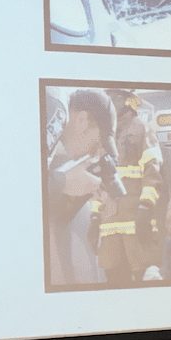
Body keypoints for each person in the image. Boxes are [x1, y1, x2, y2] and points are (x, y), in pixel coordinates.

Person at [88, 90, 163, 285]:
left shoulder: (142, 129)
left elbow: (152, 170)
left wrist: (145, 207)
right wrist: (94, 216)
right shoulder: (103, 136)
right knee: (114, 281)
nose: (109, 104)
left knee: (143, 278)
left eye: (113, 98)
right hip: (109, 225)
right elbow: (97, 180)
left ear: (127, 101)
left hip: (136, 220)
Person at [45, 88, 118, 285]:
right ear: (82, 120)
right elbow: (18, 185)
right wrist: (64, 182)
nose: (92, 155)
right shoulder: (57, 111)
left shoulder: (54, 108)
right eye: (95, 145)